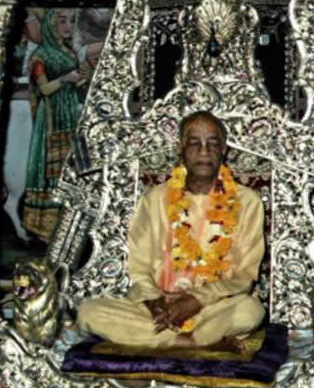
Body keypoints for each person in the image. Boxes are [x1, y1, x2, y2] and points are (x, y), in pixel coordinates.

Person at [77, 111, 266, 352]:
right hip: (159, 311)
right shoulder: (155, 199)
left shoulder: (248, 202)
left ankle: (164, 341)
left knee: (250, 311)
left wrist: (197, 299)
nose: (204, 151)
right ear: (180, 148)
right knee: (89, 311)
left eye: (212, 143)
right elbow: (139, 266)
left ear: (224, 150)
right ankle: (196, 343)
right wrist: (153, 301)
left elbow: (244, 276)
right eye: (194, 142)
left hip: (214, 308)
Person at [22, 9, 89, 240]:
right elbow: (43, 89)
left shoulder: (68, 51)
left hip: (69, 111)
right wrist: (65, 79)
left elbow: (75, 80)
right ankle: (46, 227)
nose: (68, 26)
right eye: (62, 21)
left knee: (71, 166)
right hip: (51, 116)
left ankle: (70, 223)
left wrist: (81, 79)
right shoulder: (40, 56)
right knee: (52, 168)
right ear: (51, 25)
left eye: (71, 21)